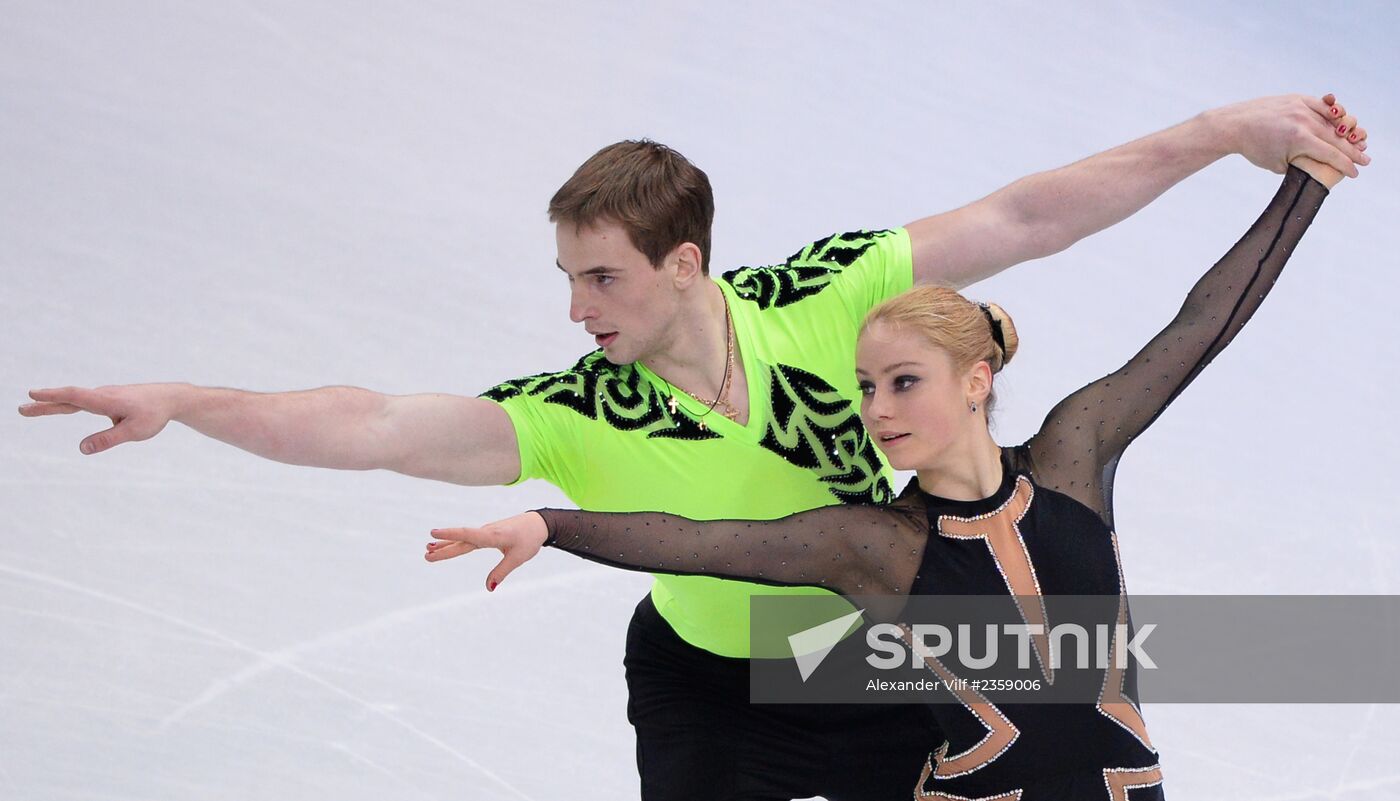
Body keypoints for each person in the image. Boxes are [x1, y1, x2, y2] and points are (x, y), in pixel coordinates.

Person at [21, 96, 1367, 801]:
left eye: (598, 280)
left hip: (864, 662)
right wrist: (192, 396)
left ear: (681, 265)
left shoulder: (822, 294)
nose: (573, 309)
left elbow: (1027, 214)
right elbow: (368, 423)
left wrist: (1221, 136)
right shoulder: (576, 411)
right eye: (565, 276)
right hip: (707, 692)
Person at [426, 154, 1342, 799]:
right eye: (865, 388)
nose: (878, 409)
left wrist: (1309, 183)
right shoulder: (876, 540)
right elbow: (695, 541)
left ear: (975, 380)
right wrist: (552, 522)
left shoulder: (1074, 458)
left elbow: (1200, 326)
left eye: (904, 383)